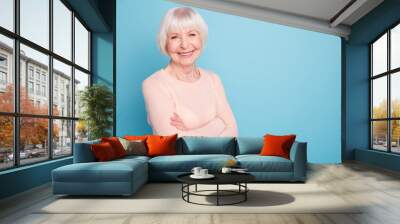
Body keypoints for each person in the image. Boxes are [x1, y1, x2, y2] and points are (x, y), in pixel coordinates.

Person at [142, 7, 237, 137]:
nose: (185, 45)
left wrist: (188, 132)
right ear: (165, 42)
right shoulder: (154, 84)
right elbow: (175, 143)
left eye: (192, 34)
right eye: (175, 37)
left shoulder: (213, 79)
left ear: (201, 38)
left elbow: (233, 132)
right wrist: (217, 125)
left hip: (221, 158)